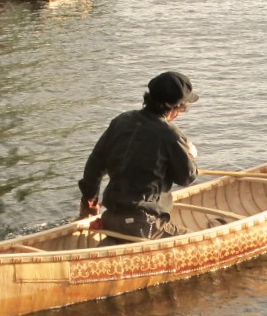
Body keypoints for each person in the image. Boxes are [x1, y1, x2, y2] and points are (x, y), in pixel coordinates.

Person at [78, 72, 200, 241]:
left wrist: (89, 202)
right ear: (176, 108)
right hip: (144, 225)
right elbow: (186, 177)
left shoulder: (121, 121)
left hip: (111, 218)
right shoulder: (171, 135)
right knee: (200, 241)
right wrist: (190, 155)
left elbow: (95, 163)